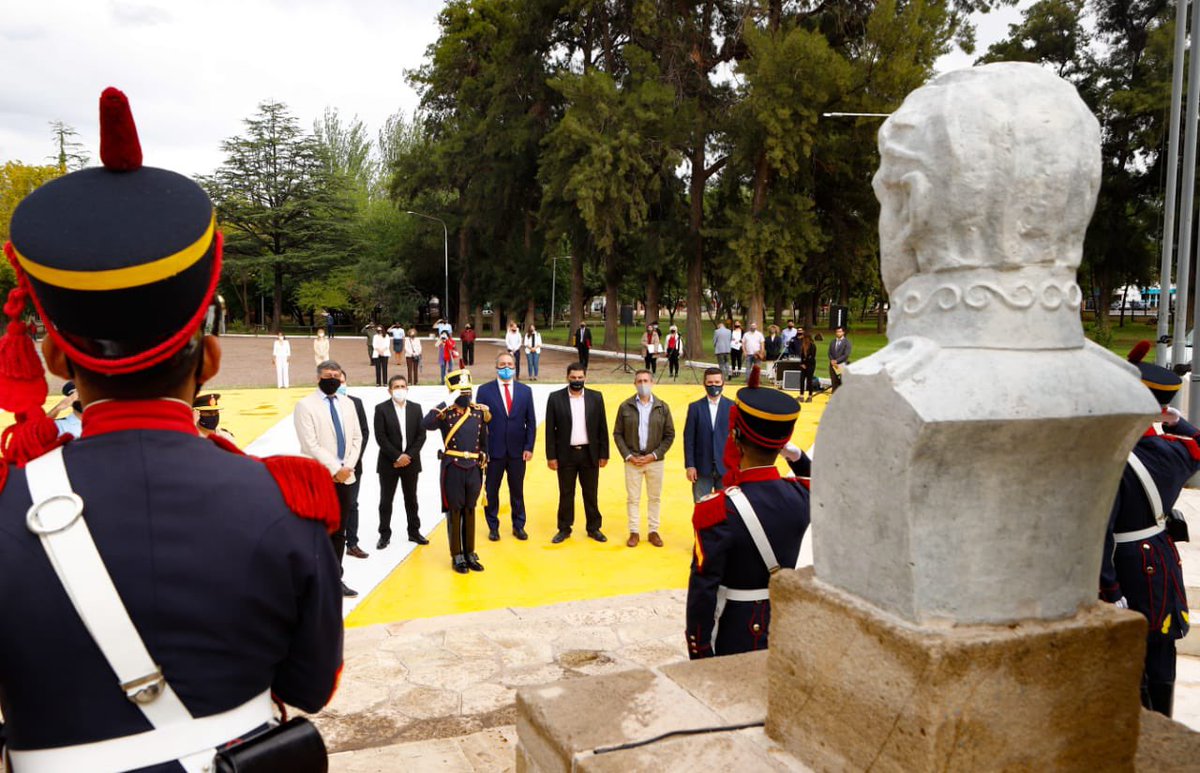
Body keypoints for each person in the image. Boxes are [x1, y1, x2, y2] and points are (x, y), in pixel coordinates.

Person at [0, 87, 341, 771]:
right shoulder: (288, 497)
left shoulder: (6, 504)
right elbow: (311, 685)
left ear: (54, 355)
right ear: (209, 359)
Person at [1100, 341, 1200, 717]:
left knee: (1127, 654)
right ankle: (1162, 720)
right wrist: (1177, 421)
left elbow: (1100, 534)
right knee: (1161, 648)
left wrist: (1109, 589)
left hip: (1122, 565)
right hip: (1160, 560)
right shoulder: (1177, 451)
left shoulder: (1110, 459)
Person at [685, 366, 810, 659]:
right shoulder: (803, 494)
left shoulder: (715, 509)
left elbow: (703, 592)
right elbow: (822, 482)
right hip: (787, 622)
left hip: (739, 629)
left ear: (735, 437)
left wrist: (700, 649)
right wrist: (795, 455)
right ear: (783, 443)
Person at [295, 359, 365, 597]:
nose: (332, 378)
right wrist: (335, 468)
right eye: (328, 375)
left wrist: (347, 467)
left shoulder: (348, 404)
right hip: (320, 478)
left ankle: (335, 578)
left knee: (339, 532)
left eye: (336, 374)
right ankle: (314, 580)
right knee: (318, 532)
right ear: (318, 378)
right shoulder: (305, 405)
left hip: (345, 478)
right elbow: (310, 444)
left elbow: (357, 437)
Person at [422, 369, 490, 573]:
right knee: (455, 511)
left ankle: (470, 552)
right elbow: (426, 424)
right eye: (462, 391)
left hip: (474, 468)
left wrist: (485, 457)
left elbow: (483, 441)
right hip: (453, 467)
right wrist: (446, 401)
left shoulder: (478, 412)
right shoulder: (446, 413)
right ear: (453, 392)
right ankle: (457, 555)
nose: (467, 395)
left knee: (470, 509)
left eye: (468, 391)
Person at [544, 363, 610, 543]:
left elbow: (602, 427)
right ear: (567, 377)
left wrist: (604, 454)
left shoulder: (596, 398)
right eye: (573, 378)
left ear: (585, 377)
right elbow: (550, 430)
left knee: (591, 493)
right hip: (566, 454)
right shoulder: (555, 398)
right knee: (566, 493)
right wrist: (551, 456)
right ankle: (564, 528)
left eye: (580, 378)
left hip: (590, 453)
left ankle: (594, 528)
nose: (577, 381)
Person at [477, 352, 537, 541]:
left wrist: (529, 447)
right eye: (502, 364)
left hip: (518, 452)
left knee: (517, 491)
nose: (506, 368)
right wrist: (482, 450)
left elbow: (531, 422)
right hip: (493, 452)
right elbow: (480, 423)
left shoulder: (525, 391)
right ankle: (493, 526)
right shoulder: (484, 391)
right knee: (492, 491)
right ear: (496, 367)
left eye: (510, 364)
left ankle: (518, 525)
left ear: (515, 366)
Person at [613, 370, 675, 547]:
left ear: (652, 382)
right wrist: (629, 455)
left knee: (654, 497)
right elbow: (618, 434)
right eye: (639, 381)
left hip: (655, 460)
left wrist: (654, 455)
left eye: (646, 380)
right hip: (633, 460)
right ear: (634, 384)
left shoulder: (662, 407)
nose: (643, 384)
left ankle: (653, 531)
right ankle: (634, 532)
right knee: (633, 498)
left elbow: (669, 435)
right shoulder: (625, 406)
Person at [374, 374, 427, 549]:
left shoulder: (416, 408)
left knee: (411, 499)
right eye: (396, 387)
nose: (400, 389)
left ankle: (414, 532)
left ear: (407, 388)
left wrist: (407, 456)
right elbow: (381, 437)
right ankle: (384, 534)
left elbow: (421, 436)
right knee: (386, 500)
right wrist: (397, 457)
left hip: (411, 463)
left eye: (402, 386)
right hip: (389, 463)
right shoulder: (381, 409)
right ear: (389, 390)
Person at [684, 368, 734, 502]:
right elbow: (689, 439)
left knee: (727, 510)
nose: (714, 385)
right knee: (702, 509)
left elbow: (737, 439)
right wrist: (690, 465)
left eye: (717, 382)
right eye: (710, 382)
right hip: (701, 469)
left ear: (723, 383)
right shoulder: (695, 407)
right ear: (704, 383)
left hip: (726, 469)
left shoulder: (733, 407)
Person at [338, 368, 371, 560]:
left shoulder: (356, 403)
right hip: (331, 466)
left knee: (352, 503)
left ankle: (352, 543)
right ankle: (332, 541)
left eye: (342, 381)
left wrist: (352, 460)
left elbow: (364, 433)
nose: (339, 385)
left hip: (353, 465)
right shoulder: (321, 406)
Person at [828, 326, 851, 392]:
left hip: (842, 364)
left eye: (840, 332)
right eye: (837, 332)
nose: (838, 333)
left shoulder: (847, 343)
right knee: (834, 382)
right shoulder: (833, 342)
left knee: (842, 382)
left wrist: (836, 361)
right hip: (832, 365)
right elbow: (829, 352)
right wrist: (832, 360)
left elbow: (846, 354)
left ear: (843, 332)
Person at [798, 331, 819, 401]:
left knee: (809, 380)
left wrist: (805, 364)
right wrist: (802, 363)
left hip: (810, 365)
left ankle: (810, 396)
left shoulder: (812, 346)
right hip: (803, 365)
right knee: (801, 380)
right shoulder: (803, 346)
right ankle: (801, 395)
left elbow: (811, 356)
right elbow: (801, 356)